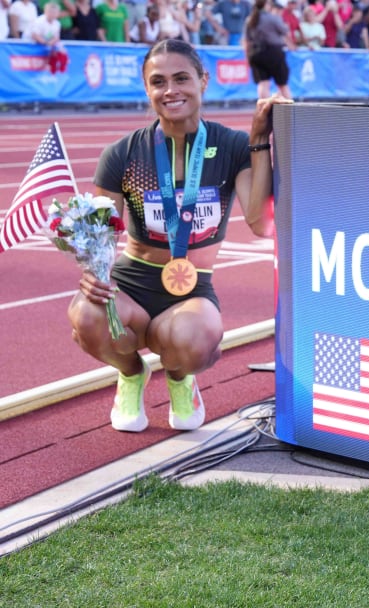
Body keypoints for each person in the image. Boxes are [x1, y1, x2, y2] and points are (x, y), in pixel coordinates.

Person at [72, 38, 289, 433]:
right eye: (158, 82)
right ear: (146, 89)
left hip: (193, 289)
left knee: (199, 337)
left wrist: (259, 137)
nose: (170, 90)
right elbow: (100, 239)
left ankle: (179, 379)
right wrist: (92, 273)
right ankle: (131, 373)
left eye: (181, 78)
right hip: (132, 283)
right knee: (86, 316)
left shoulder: (231, 146)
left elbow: (262, 223)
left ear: (203, 81)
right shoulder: (123, 154)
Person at [245, 0, 293, 99]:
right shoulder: (272, 18)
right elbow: (286, 31)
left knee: (263, 83)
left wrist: (247, 58)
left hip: (256, 53)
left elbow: (247, 41)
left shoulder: (250, 19)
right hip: (274, 53)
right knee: (282, 84)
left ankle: (264, 112)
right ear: (266, 5)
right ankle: (290, 111)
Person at [24, 1, 67, 73]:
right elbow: (34, 35)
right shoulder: (39, 21)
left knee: (61, 51)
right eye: (51, 12)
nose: (53, 14)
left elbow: (56, 37)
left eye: (55, 12)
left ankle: (58, 70)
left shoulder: (57, 23)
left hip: (45, 44)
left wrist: (51, 43)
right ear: (46, 11)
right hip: (30, 45)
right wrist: (46, 42)